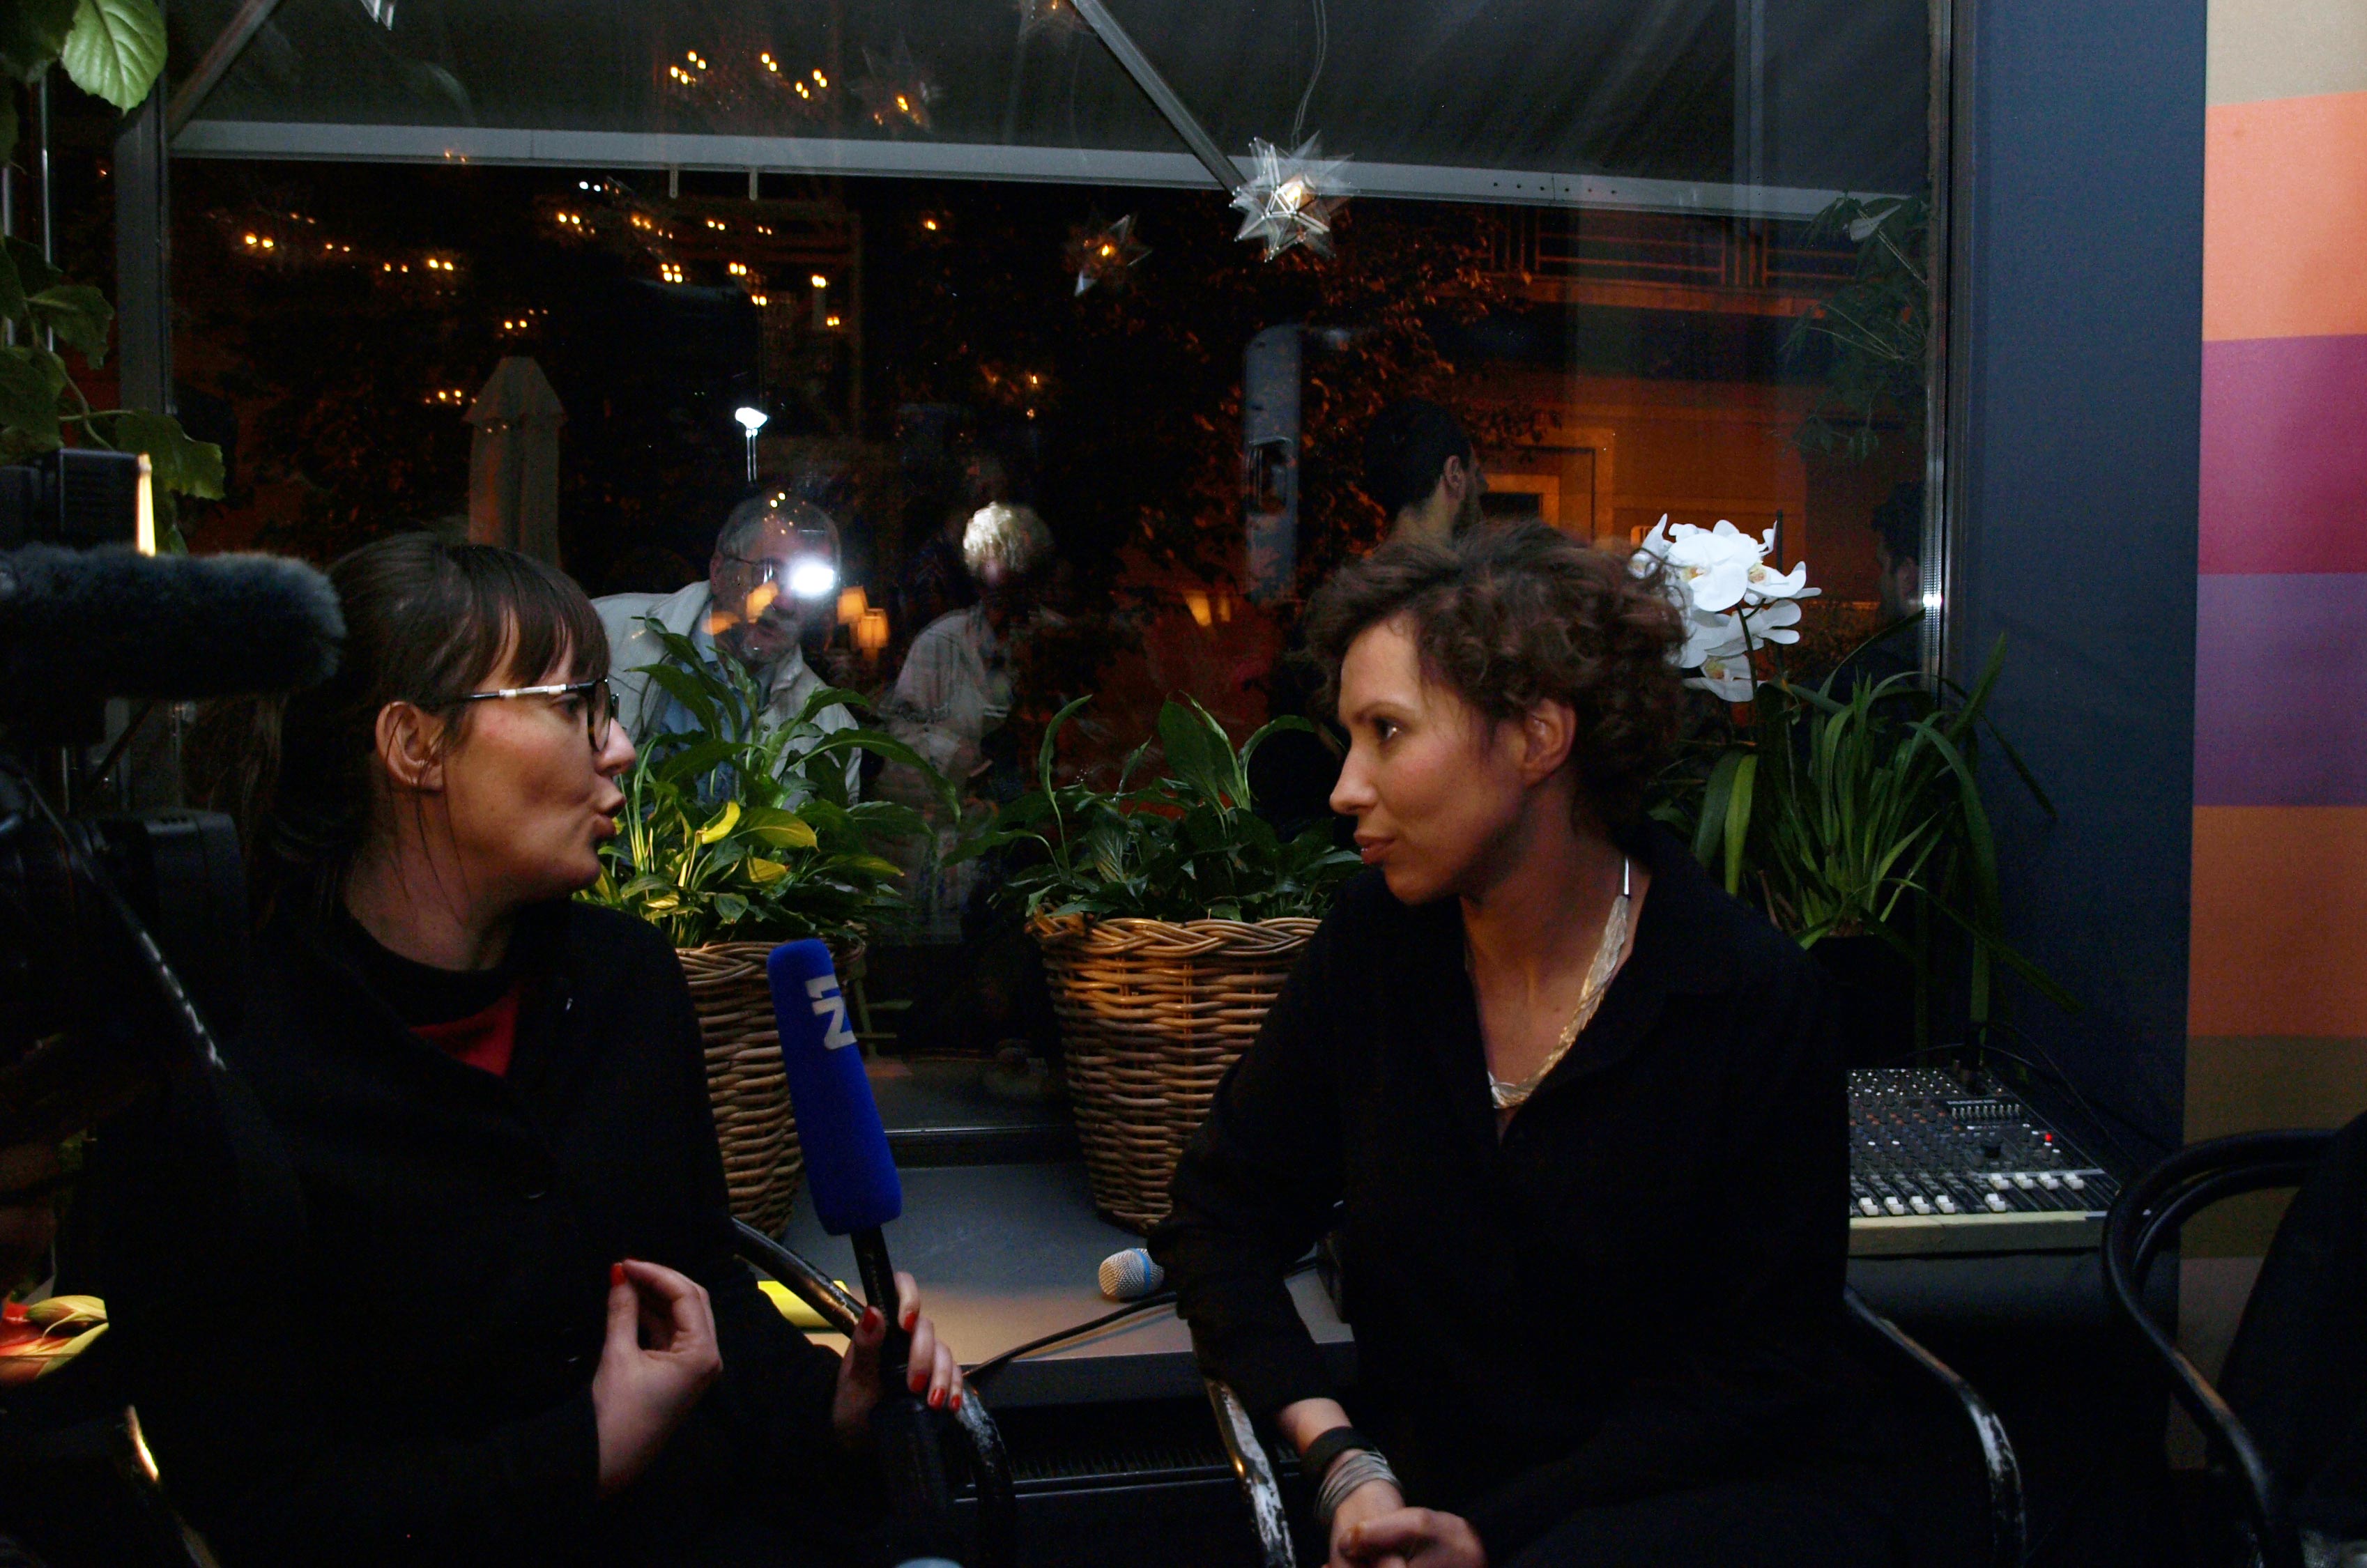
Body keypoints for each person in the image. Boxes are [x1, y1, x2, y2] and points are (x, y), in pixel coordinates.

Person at [72, 536, 963, 1567]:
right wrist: (586, 1453)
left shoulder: (625, 982)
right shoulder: (216, 1074)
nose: (618, 746)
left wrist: (835, 1407)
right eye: (578, 705)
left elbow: (698, 1292)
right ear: (415, 745)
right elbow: (267, 1510)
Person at [1151, 523, 1897, 1568]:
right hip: (1429, 1519)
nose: (1345, 787)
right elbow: (1217, 1218)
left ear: (1539, 738)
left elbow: (1761, 1378)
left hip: (1693, 1517)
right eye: (1348, 738)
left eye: (1388, 731)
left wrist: (1492, 1537)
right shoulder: (1374, 950)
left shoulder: (1746, 997)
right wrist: (1345, 1462)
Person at [595, 492, 859, 785]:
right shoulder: (606, 633)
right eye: (768, 574)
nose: (785, 603)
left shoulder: (831, 731)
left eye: (806, 588)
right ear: (719, 571)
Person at [884, 501, 1055, 787]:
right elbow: (902, 739)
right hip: (958, 806)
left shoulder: (1054, 640)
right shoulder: (939, 644)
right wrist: (963, 757)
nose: (1008, 615)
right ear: (977, 586)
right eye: (997, 596)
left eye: (1019, 594)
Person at [1362, 399, 1486, 543]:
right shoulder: (1488, 554)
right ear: (1454, 474)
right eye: (1475, 474)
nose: (1483, 487)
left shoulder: (1361, 556)